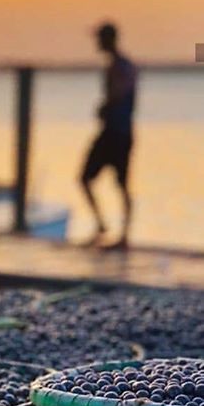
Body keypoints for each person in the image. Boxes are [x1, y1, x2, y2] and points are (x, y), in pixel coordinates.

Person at [80, 22, 137, 250]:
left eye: (100, 38)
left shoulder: (124, 66)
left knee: (122, 185)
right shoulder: (115, 66)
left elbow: (119, 94)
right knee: (85, 178)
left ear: (109, 39)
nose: (97, 43)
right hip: (110, 132)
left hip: (119, 134)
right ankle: (101, 225)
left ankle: (123, 236)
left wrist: (105, 106)